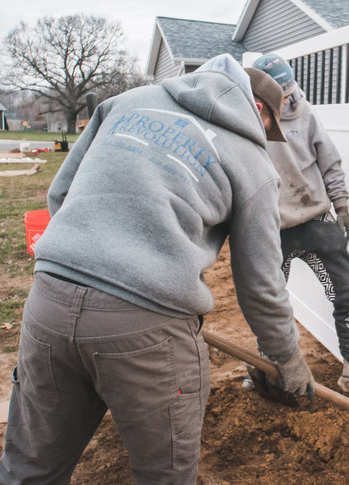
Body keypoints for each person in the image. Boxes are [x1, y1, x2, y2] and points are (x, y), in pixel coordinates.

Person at [0, 54, 315, 485]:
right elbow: (261, 284)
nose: (266, 136)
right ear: (259, 109)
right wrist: (287, 359)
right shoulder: (253, 162)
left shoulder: (126, 102)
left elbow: (61, 193)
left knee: (29, 469)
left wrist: (82, 262)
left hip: (49, 304)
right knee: (164, 475)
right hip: (146, 333)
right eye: (269, 127)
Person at [249, 53, 349, 407]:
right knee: (270, 303)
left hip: (316, 218)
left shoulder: (306, 114)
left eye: (291, 90)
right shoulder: (249, 121)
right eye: (281, 93)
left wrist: (341, 207)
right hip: (273, 229)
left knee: (346, 292)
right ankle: (266, 371)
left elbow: (330, 163)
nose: (289, 99)